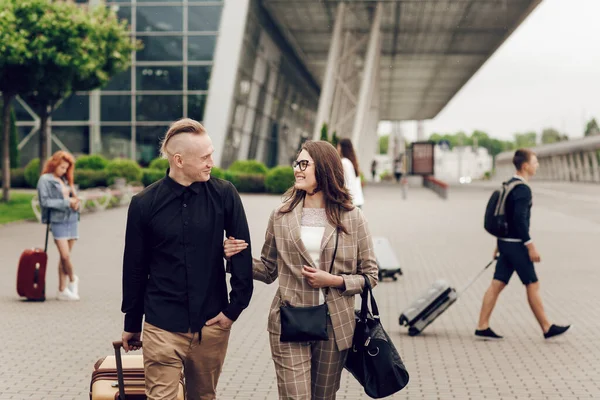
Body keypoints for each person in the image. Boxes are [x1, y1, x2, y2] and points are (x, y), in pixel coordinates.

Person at [224, 140, 378, 399]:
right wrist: (235, 258)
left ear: (326, 169)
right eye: (297, 163)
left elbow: (370, 276)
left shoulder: (352, 217)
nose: (297, 169)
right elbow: (268, 269)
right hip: (289, 319)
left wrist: (334, 280)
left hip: (335, 325)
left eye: (304, 163)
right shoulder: (281, 215)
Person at [120, 118, 253, 400]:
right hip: (161, 326)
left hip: (212, 325)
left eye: (211, 154)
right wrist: (132, 323)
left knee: (204, 397)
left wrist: (233, 310)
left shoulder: (225, 194)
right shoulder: (144, 204)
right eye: (204, 157)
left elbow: (242, 252)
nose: (211, 162)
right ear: (179, 160)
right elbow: (134, 268)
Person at [475, 149, 570, 340]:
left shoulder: (509, 184)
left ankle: (482, 326)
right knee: (532, 284)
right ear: (525, 166)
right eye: (535, 162)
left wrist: (499, 244)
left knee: (497, 284)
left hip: (505, 244)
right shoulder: (523, 189)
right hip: (517, 246)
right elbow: (519, 220)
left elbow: (506, 218)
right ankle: (546, 327)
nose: (537, 165)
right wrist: (530, 245)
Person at [37, 150, 81, 301]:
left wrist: (76, 204)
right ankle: (73, 278)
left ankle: (62, 290)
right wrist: (67, 202)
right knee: (65, 255)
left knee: (64, 259)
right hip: (58, 221)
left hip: (72, 219)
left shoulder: (66, 180)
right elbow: (45, 202)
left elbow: (73, 198)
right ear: (54, 164)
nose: (64, 170)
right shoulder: (45, 180)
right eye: (62, 167)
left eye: (67, 168)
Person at [337, 138, 364, 209]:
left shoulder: (344, 162)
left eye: (338, 146)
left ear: (343, 148)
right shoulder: (352, 162)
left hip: (350, 201)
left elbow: (346, 183)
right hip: (358, 200)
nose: (337, 149)